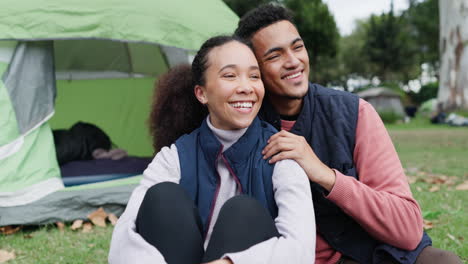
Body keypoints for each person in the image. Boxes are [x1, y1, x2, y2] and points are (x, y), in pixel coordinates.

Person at [234, 4, 462, 264]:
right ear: (255, 71)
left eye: (297, 47)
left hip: (370, 251)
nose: (293, 61)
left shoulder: (354, 113)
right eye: (275, 56)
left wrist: (327, 177)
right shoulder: (244, 125)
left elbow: (408, 229)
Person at [108, 35, 316, 264]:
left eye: (254, 76)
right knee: (163, 197)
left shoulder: (282, 153)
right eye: (230, 75)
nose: (246, 87)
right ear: (202, 93)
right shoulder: (174, 157)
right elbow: (124, 238)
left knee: (244, 212)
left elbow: (301, 250)